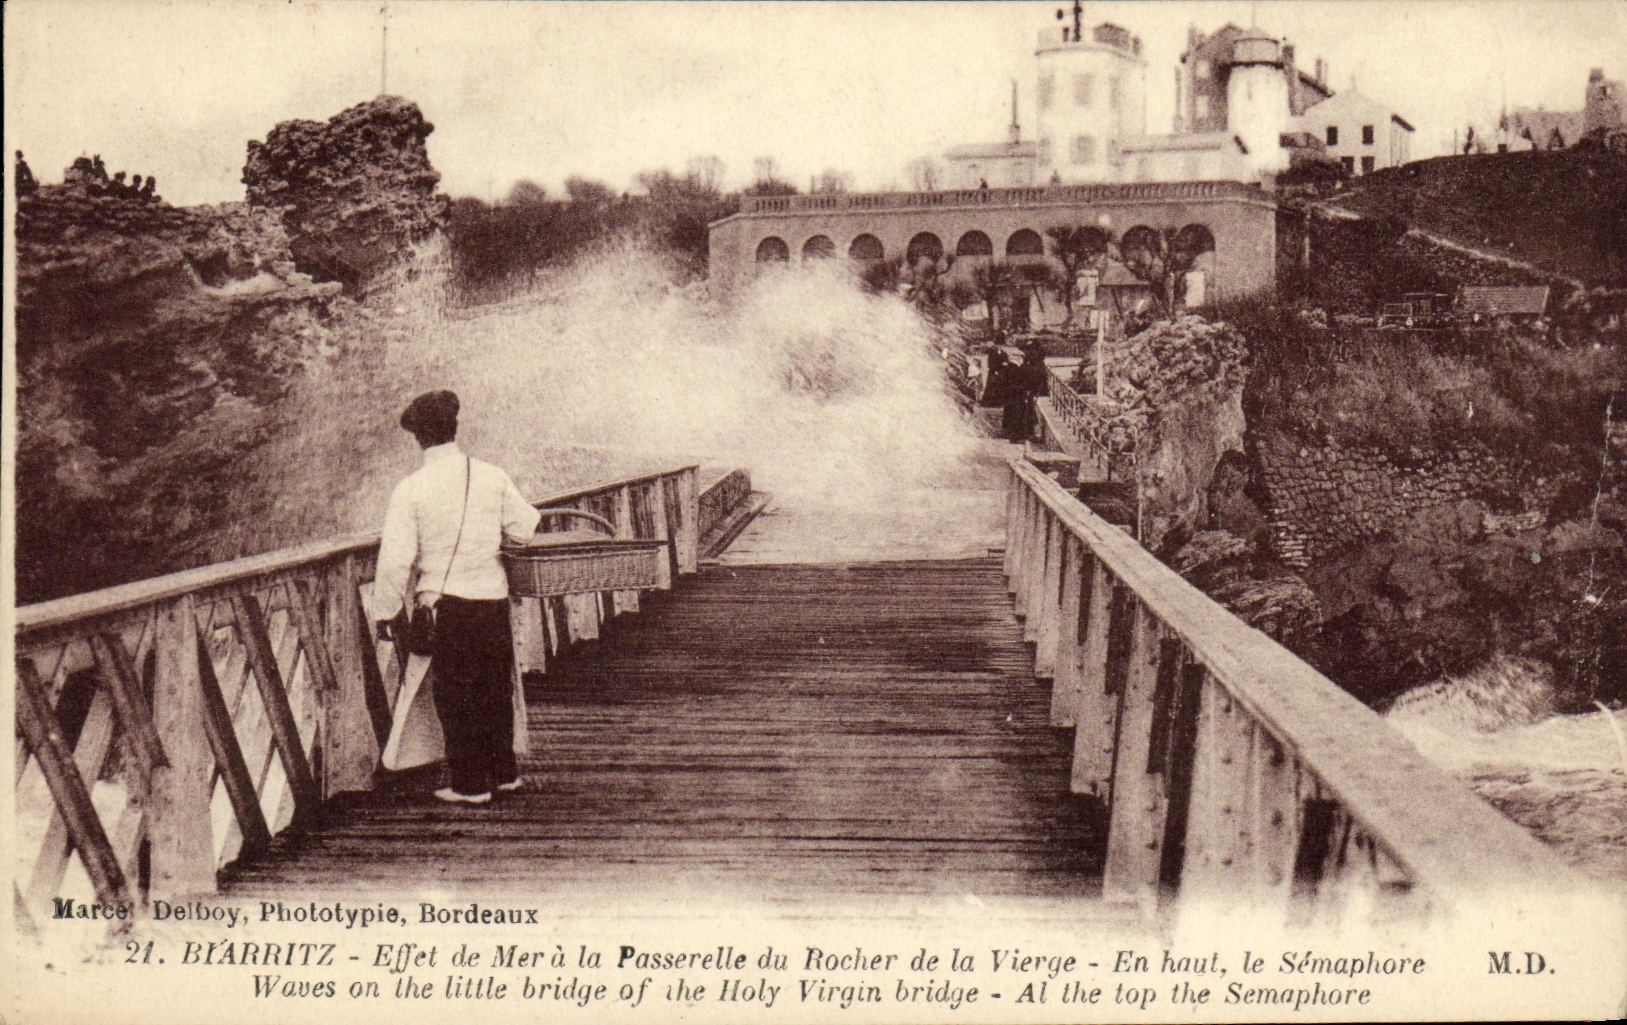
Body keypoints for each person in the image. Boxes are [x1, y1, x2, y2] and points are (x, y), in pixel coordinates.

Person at [372, 390, 541, 804]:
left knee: (455, 693)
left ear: (419, 438)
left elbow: (396, 559)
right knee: (495, 685)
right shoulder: (491, 475)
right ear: (455, 429)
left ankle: (469, 784)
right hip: (492, 597)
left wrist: (386, 611)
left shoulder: (411, 488)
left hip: (445, 604)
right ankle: (503, 772)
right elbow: (524, 528)